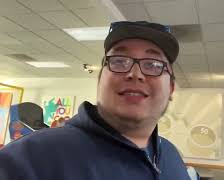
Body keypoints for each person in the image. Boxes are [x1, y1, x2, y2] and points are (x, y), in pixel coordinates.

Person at [0, 21, 192, 180]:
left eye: (153, 64)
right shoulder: (28, 160)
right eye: (119, 61)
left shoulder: (171, 157)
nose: (135, 74)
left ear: (171, 88)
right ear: (100, 80)